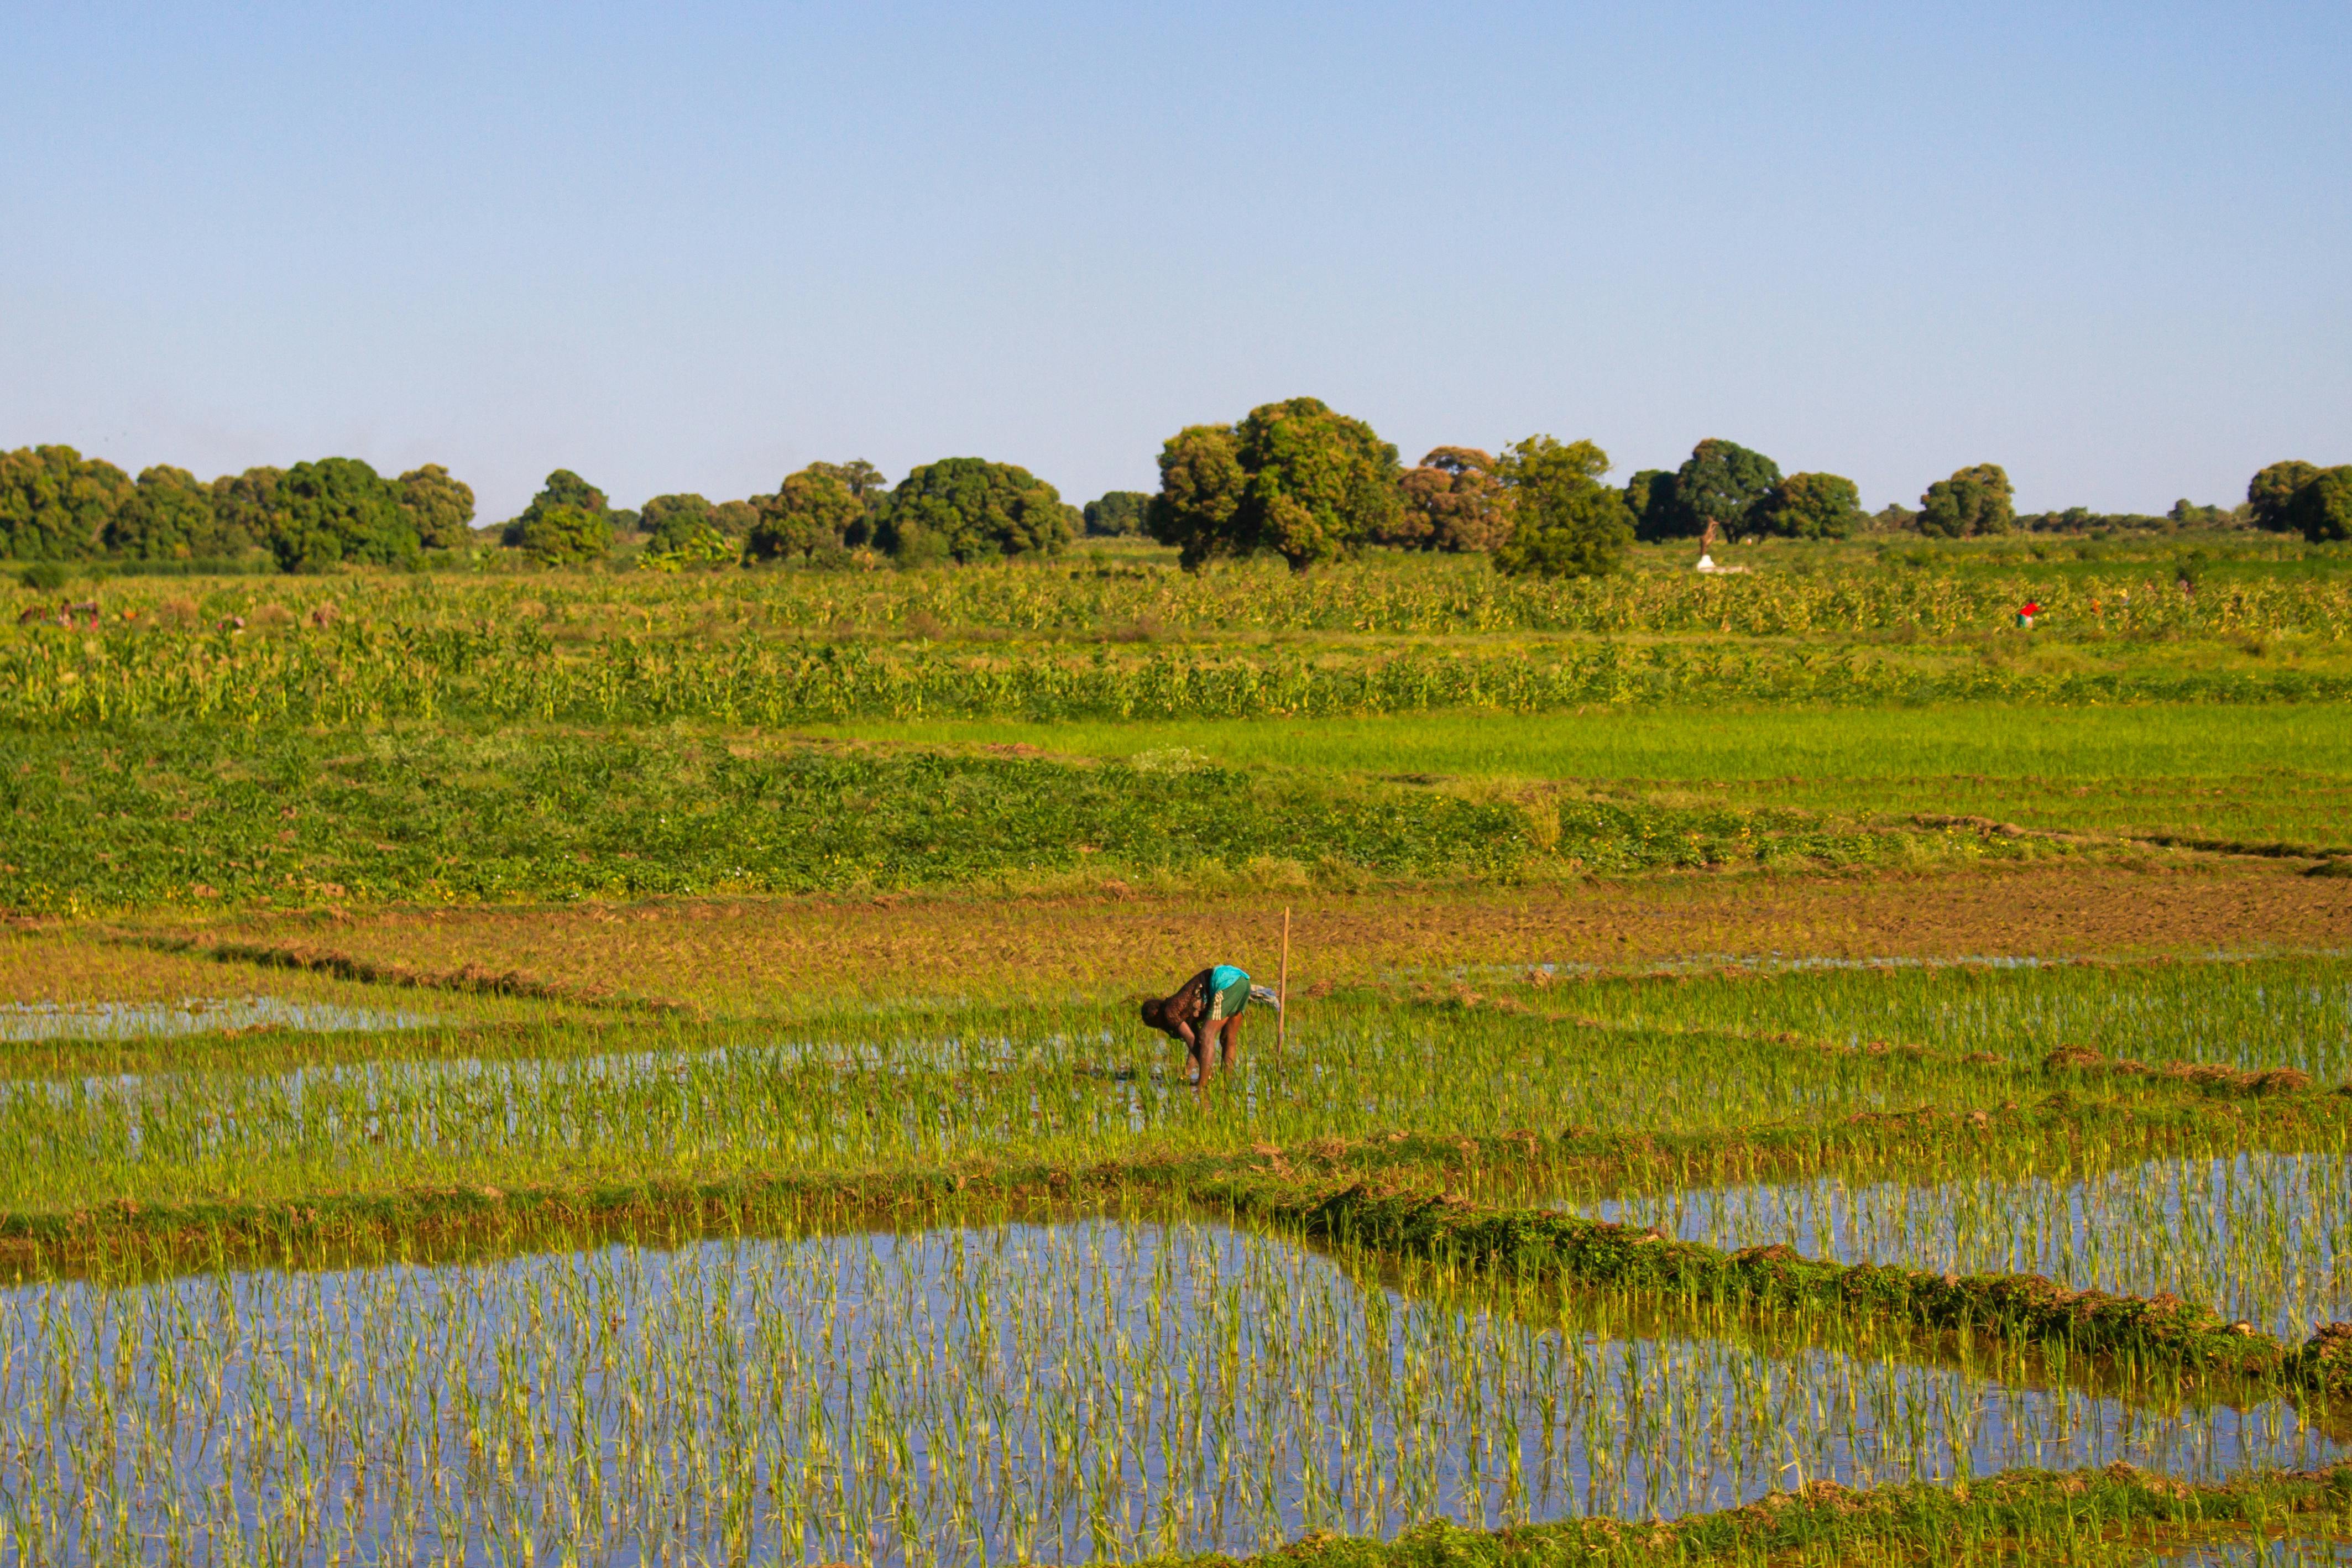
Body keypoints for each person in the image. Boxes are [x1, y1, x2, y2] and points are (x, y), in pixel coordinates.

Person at [1140, 964, 1280, 1085]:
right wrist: (1187, 1072)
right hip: (1243, 982)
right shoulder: (1182, 1010)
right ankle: (1226, 1086)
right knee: (1228, 1038)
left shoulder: (1170, 1012)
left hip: (1225, 983)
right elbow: (1194, 1044)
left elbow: (1193, 1041)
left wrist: (1206, 1075)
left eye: (1155, 1025)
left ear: (1155, 1015)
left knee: (1207, 1034)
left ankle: (1203, 1087)